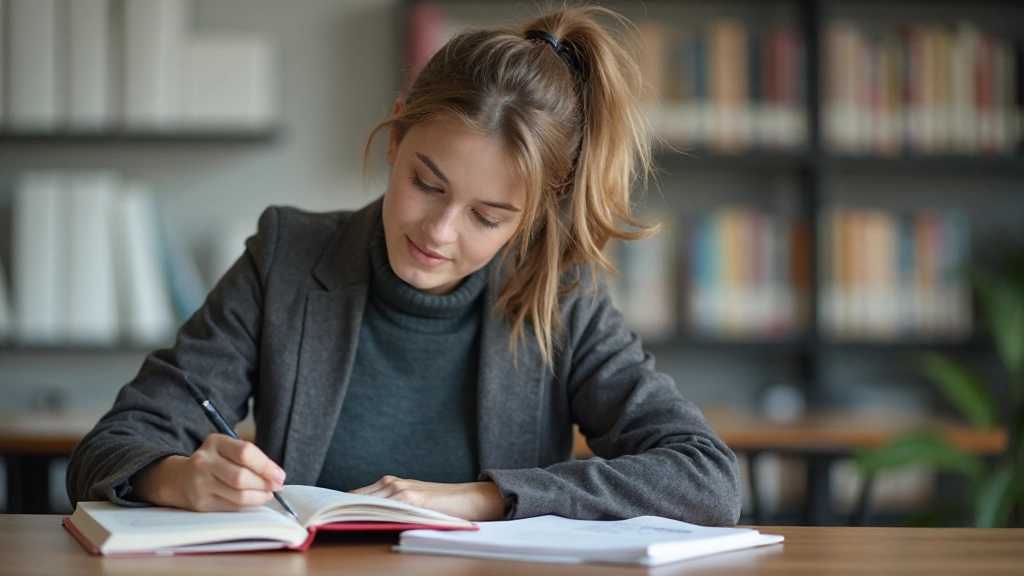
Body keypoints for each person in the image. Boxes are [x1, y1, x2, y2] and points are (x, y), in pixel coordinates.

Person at [67, 5, 742, 526]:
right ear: (395, 135)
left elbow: (706, 478)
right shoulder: (287, 257)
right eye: (427, 183)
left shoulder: (562, 297)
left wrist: (481, 498)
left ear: (531, 218)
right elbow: (112, 445)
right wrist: (178, 479)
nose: (439, 232)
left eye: (487, 217)